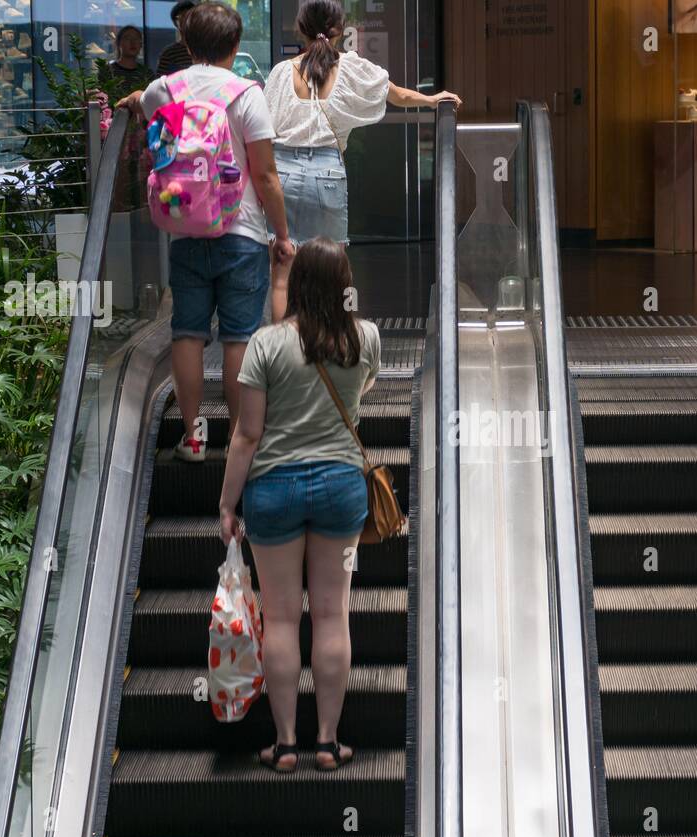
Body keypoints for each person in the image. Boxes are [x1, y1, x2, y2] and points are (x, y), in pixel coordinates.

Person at [217, 238, 381, 773]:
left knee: (283, 620)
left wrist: (226, 504)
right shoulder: (365, 339)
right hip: (340, 488)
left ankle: (286, 743)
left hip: (273, 491)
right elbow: (360, 391)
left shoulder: (264, 345)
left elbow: (247, 434)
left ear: (298, 284)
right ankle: (329, 743)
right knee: (333, 615)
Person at [118, 2, 295, 461]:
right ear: (235, 46)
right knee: (239, 338)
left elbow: (147, 105)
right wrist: (282, 233)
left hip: (184, 232)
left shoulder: (162, 90)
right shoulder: (245, 94)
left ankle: (193, 437)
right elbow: (266, 176)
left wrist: (134, 98)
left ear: (187, 44)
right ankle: (239, 440)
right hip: (243, 232)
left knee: (188, 334)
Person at [262, 0, 461, 320]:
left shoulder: (281, 74)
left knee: (283, 273)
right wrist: (431, 99)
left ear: (301, 29)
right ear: (339, 30)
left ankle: (282, 353)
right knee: (332, 271)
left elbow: (265, 129)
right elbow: (395, 93)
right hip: (327, 172)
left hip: (282, 173)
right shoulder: (350, 68)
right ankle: (329, 348)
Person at [156, 0, 197, 76]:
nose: (186, 21)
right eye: (182, 17)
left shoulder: (206, 50)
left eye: (190, 16)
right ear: (175, 23)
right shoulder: (169, 53)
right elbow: (160, 82)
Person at [108, 25, 150, 92]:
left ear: (141, 44)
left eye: (136, 39)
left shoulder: (147, 74)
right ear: (119, 43)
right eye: (127, 38)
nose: (133, 42)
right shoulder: (108, 71)